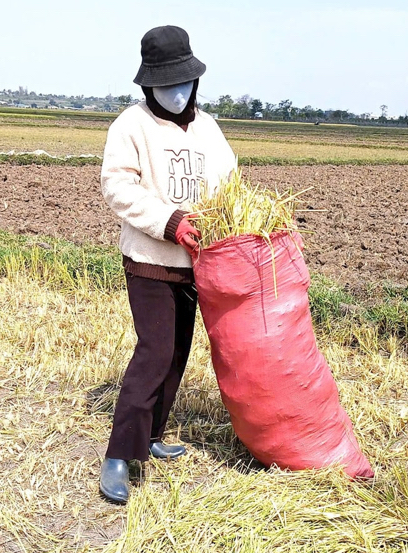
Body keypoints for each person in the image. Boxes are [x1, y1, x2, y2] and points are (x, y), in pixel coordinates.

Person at [97, 25, 237, 504]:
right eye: (166, 84)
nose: (176, 92)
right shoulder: (130, 125)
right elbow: (118, 188)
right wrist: (169, 221)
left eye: (183, 82)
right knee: (154, 350)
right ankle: (120, 453)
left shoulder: (208, 128)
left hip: (198, 264)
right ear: (147, 85)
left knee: (178, 349)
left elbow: (229, 183)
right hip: (151, 258)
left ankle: (154, 433)